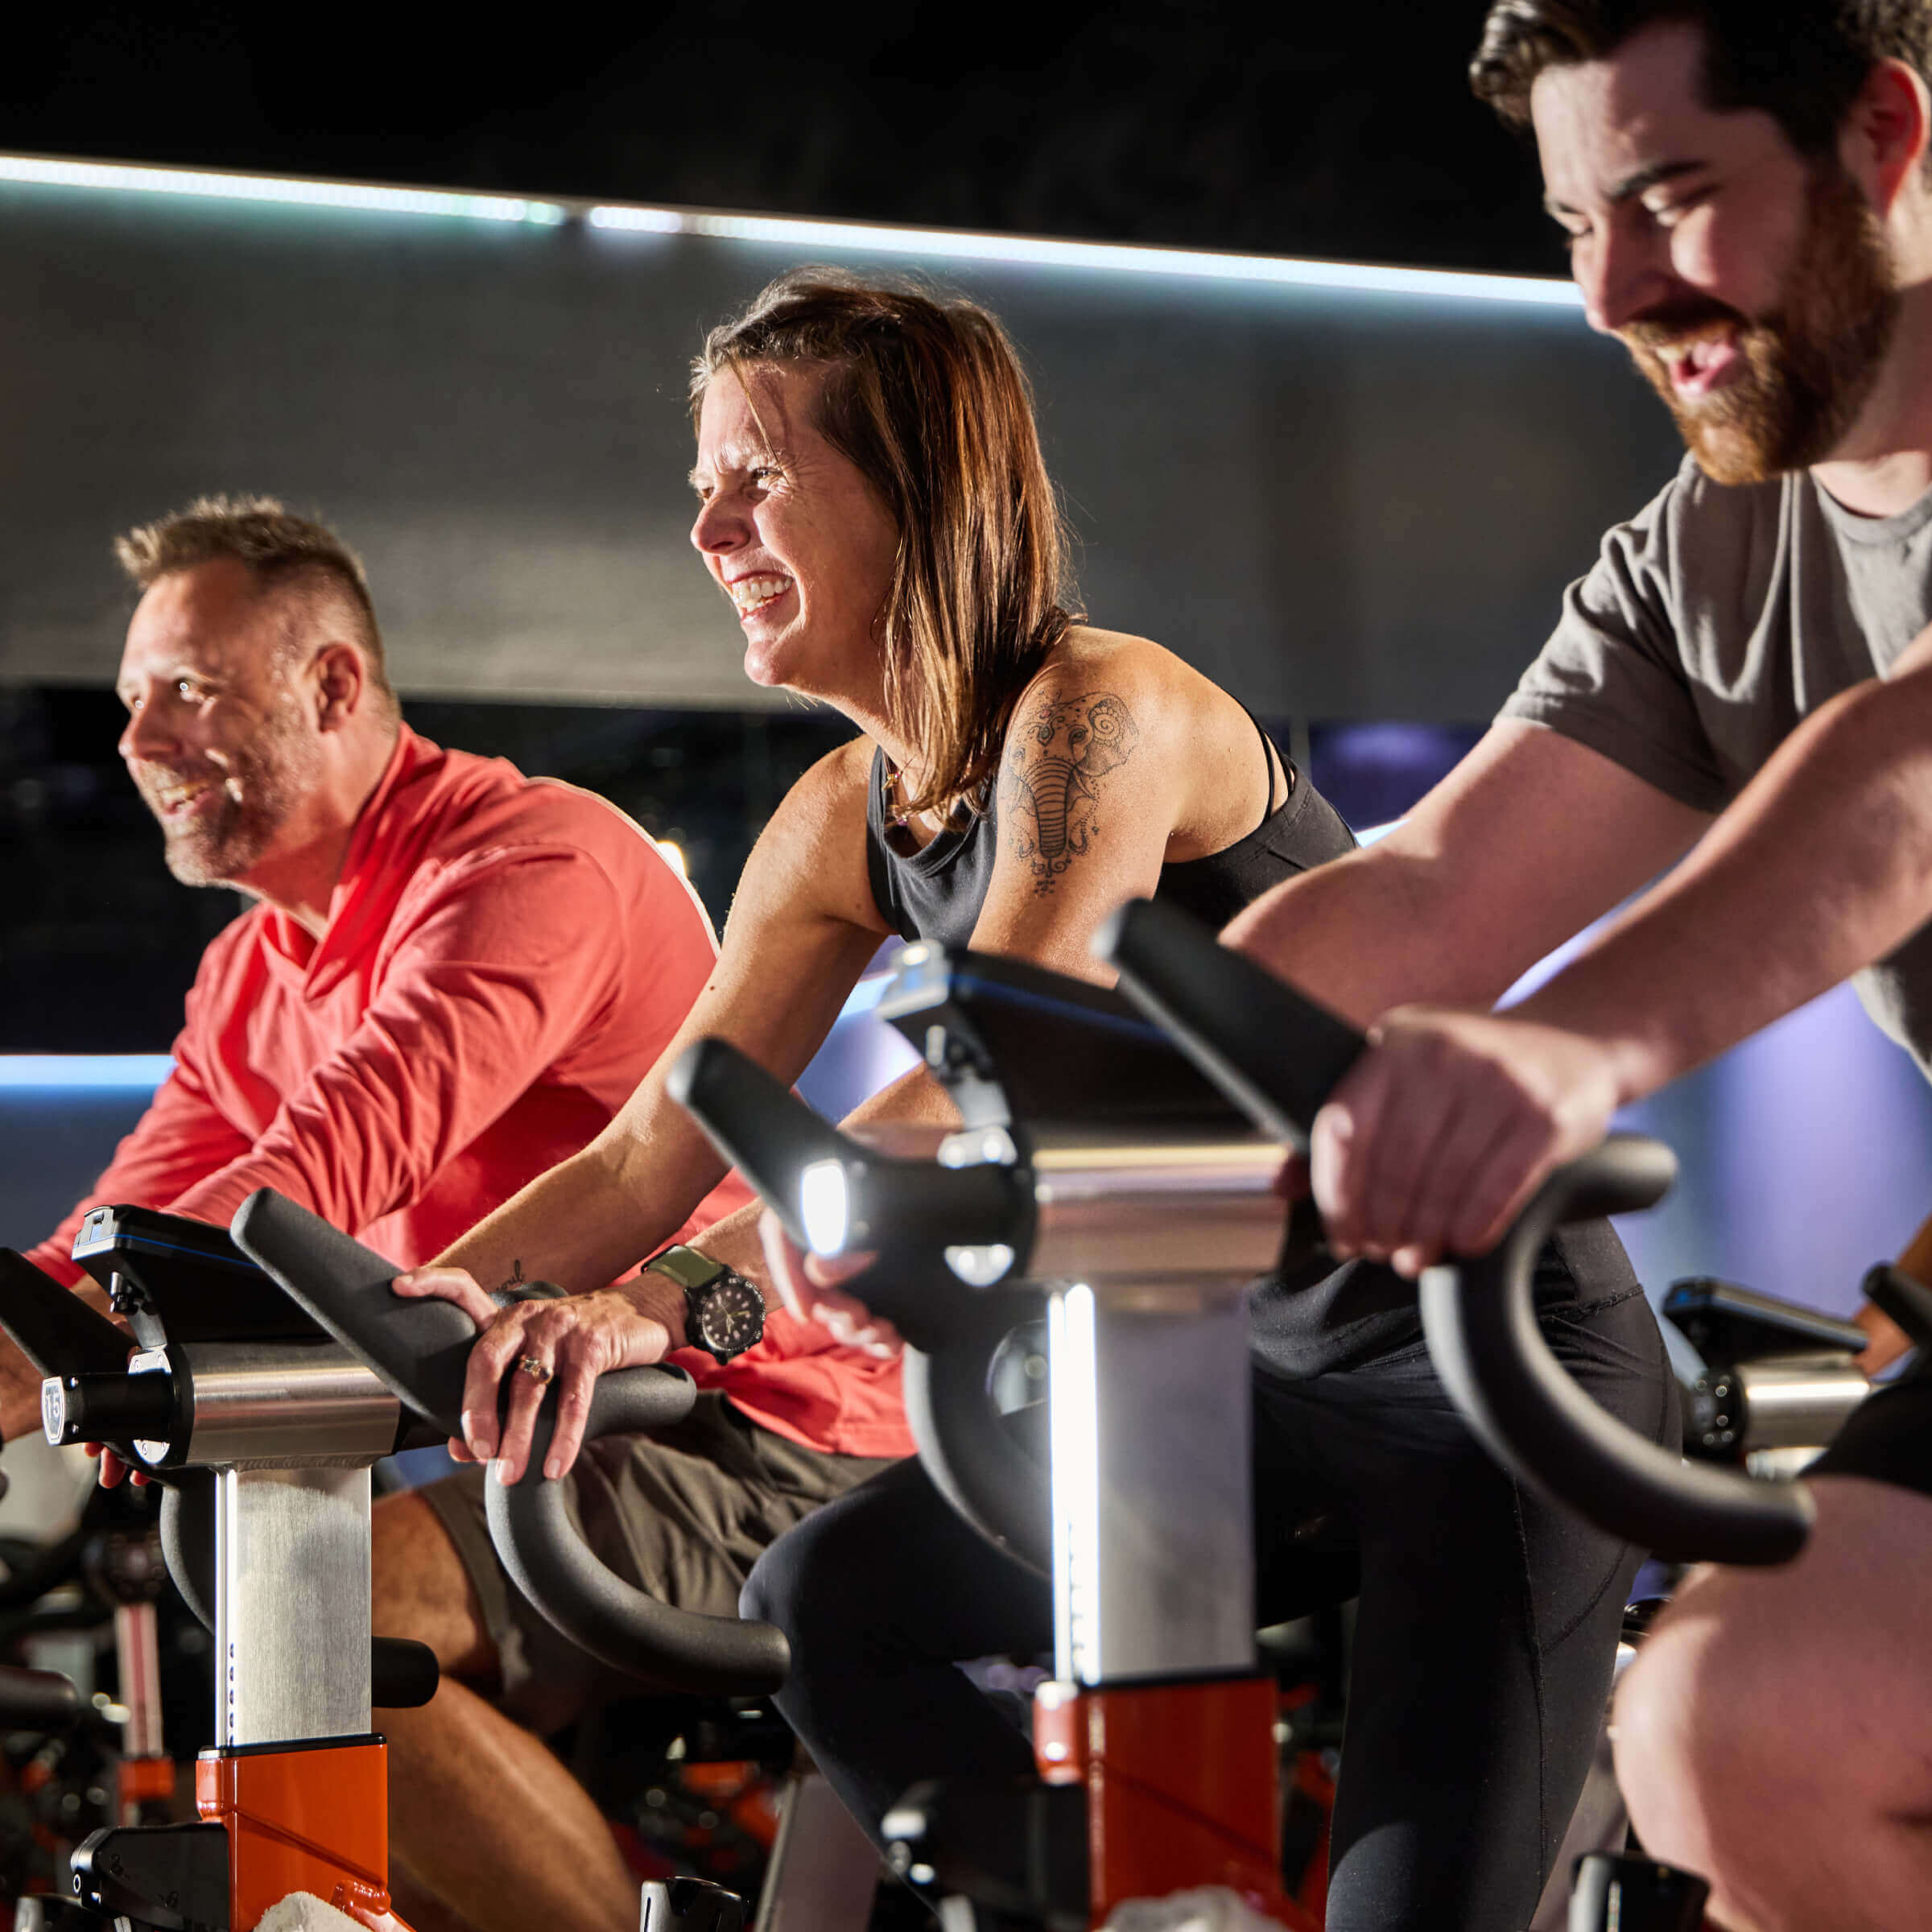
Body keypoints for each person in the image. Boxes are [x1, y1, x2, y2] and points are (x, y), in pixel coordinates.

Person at [489, 271, 1675, 1932]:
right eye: (702, 480)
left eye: (757, 474)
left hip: (1494, 1372)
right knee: (838, 1597)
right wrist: (417, 1316)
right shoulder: (847, 816)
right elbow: (641, 1154)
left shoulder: (1106, 711)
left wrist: (670, 1305)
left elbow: (1009, 1056)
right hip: (1233, 1382)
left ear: (919, 489)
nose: (707, 527)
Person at [1203, 6, 1932, 1928]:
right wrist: (1088, 1108)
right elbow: (1432, 887)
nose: (1614, 288)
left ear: (1883, 137)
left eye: (1674, 199)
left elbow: (1908, 779)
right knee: (1739, 1736)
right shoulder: (1714, 553)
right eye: (1569, 221)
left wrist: (1567, 1053)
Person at [12, 494, 810, 1929]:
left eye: (187, 691)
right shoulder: (253, 973)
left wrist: (71, 1340)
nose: (136, 741)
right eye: (130, 703)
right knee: (285, 1650)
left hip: (732, 1410)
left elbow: (332, 1159)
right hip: (535, 1445)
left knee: (333, 1629)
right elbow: (124, 1227)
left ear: (332, 685)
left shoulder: (522, 862)